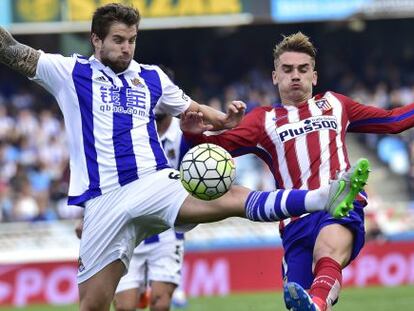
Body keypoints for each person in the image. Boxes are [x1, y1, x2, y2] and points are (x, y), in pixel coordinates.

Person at [0, 5, 369, 310]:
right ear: (95, 39)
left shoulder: (152, 78)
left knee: (229, 196)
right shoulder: (69, 72)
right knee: (93, 305)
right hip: (103, 202)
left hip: (151, 183)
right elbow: (13, 51)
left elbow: (193, 108)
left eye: (131, 40)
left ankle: (321, 197)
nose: (126, 48)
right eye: (117, 40)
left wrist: (223, 120)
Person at [180, 31, 414, 311]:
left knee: (326, 254)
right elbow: (207, 156)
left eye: (303, 69)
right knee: (300, 301)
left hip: (339, 204)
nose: (295, 76)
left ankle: (317, 302)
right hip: (294, 221)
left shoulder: (335, 104)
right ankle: (316, 303)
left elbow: (394, 121)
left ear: (314, 76)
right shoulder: (262, 120)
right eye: (287, 69)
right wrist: (192, 136)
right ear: (274, 76)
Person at [113, 113, 189, 311]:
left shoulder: (184, 133)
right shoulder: (129, 130)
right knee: (124, 307)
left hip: (167, 229)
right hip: (128, 228)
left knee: (160, 302)